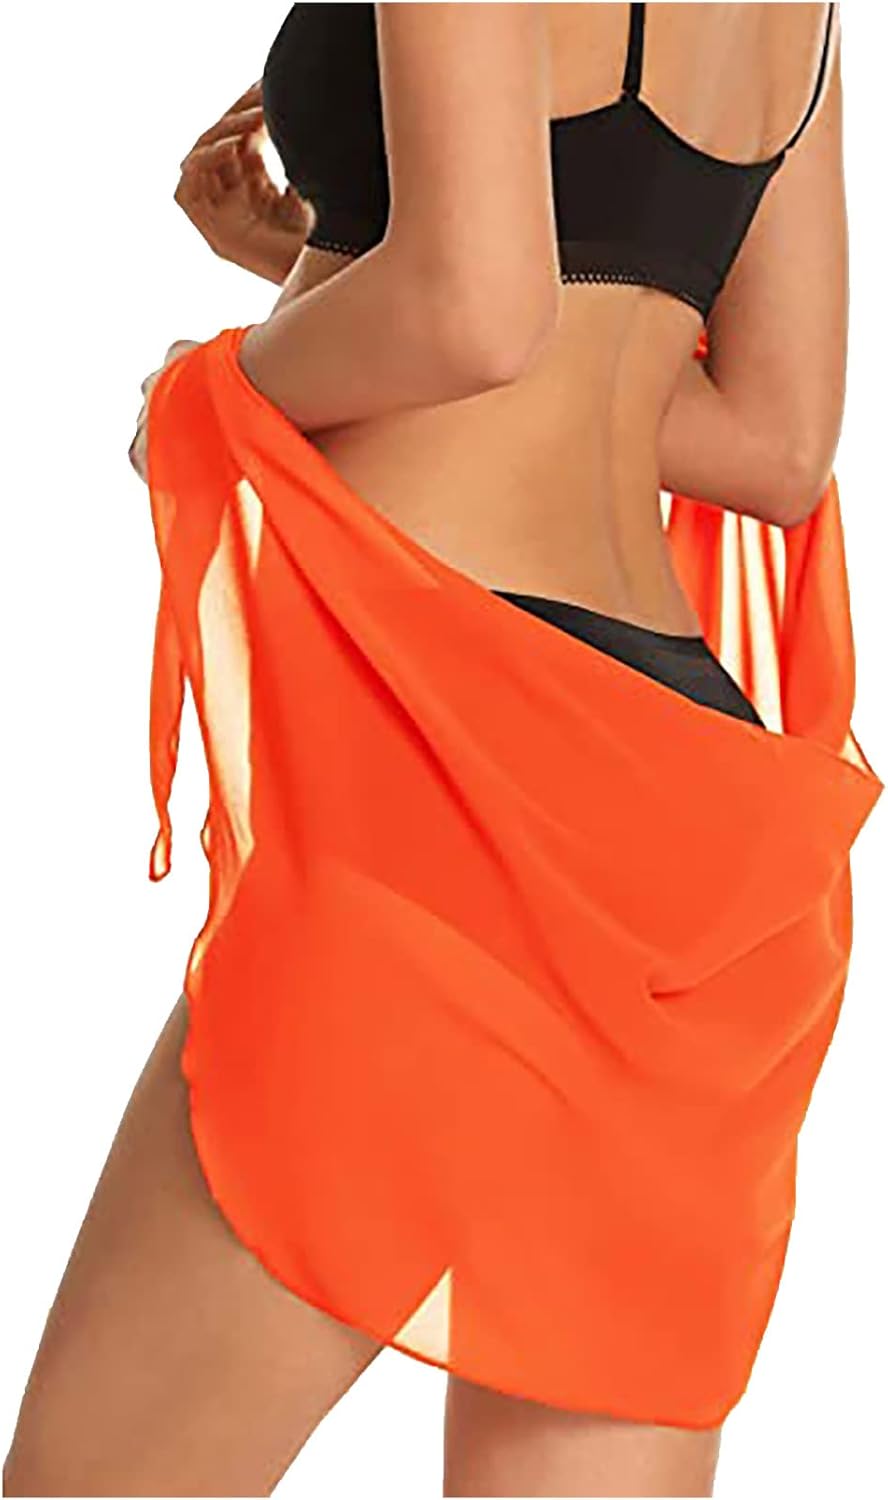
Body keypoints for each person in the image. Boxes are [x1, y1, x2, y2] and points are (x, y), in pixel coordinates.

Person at [5, 5, 875, 1498]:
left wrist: (209, 391)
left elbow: (476, 311)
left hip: (452, 782)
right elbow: (775, 442)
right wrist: (312, 265)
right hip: (683, 807)